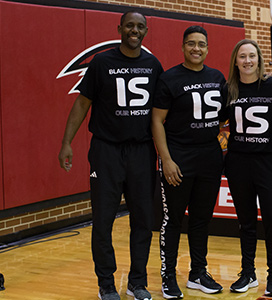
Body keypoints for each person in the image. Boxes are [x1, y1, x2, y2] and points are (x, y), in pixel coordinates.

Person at [58, 11, 163, 300]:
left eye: (140, 26)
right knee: (103, 220)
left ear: (145, 31)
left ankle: (137, 282)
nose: (135, 30)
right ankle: (106, 283)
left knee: (143, 219)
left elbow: (162, 112)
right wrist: (67, 142)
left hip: (142, 151)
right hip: (106, 151)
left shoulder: (153, 64)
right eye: (130, 25)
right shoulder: (102, 62)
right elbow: (82, 103)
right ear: (119, 28)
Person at [151, 25, 225, 299]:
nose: (196, 48)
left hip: (209, 157)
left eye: (201, 44)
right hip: (179, 159)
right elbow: (157, 120)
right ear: (183, 47)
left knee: (201, 219)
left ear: (207, 48)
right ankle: (168, 276)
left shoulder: (217, 77)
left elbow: (227, 113)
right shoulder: (170, 78)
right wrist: (166, 160)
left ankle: (197, 272)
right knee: (172, 220)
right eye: (191, 43)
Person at [222, 39, 272, 296]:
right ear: (235, 62)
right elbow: (218, 124)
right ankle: (247, 273)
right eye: (242, 57)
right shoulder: (229, 90)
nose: (247, 61)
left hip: (268, 163)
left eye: (252, 56)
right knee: (245, 222)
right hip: (238, 164)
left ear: (259, 59)